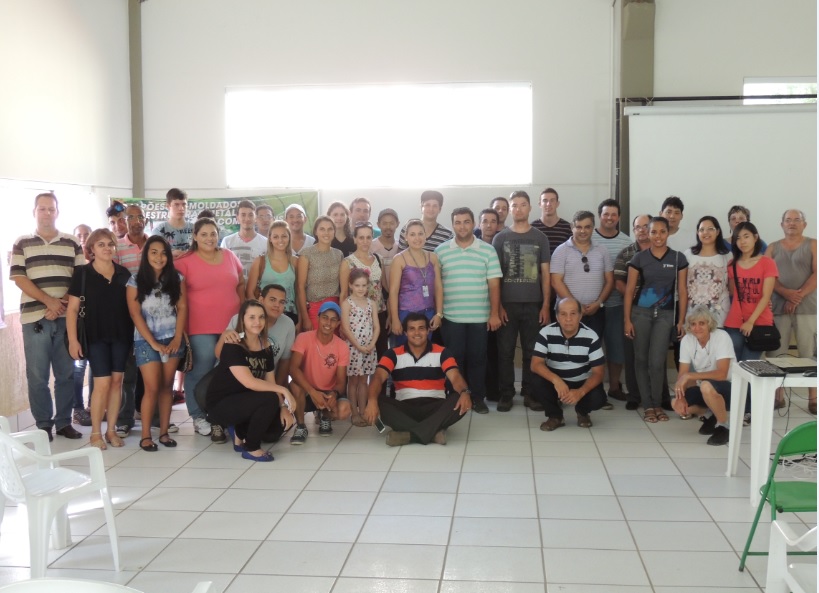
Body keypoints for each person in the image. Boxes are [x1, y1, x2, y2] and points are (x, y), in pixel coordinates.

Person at [10, 192, 85, 441]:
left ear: (57, 212)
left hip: (66, 319)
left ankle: (64, 423)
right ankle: (43, 425)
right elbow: (19, 278)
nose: (47, 213)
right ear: (34, 212)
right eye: (42, 209)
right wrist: (49, 301)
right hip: (35, 319)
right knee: (37, 376)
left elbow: (80, 277)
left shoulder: (72, 242)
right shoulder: (22, 242)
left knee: (65, 374)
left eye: (51, 209)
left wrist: (61, 304)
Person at [174, 217, 245, 439]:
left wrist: (242, 314)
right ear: (194, 236)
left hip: (231, 325)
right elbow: (177, 298)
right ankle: (197, 415)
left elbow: (240, 283)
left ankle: (217, 414)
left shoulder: (229, 256)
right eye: (203, 234)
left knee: (223, 371)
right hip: (199, 326)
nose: (209, 238)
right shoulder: (184, 262)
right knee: (201, 368)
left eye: (213, 234)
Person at [66, 228, 133, 449]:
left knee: (117, 383)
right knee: (101, 383)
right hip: (95, 336)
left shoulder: (124, 274)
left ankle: (111, 431)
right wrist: (74, 341)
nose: (107, 248)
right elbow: (73, 310)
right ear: (92, 249)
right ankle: (95, 433)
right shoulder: (83, 274)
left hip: (121, 335)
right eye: (101, 244)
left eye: (110, 244)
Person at [206, 300, 297, 462]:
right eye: (252, 317)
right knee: (269, 398)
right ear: (243, 320)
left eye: (261, 317)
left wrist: (283, 407)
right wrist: (284, 390)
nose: (257, 322)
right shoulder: (233, 344)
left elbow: (270, 381)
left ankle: (240, 433)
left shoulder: (266, 346)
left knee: (276, 429)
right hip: (221, 404)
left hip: (247, 400)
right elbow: (250, 382)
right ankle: (252, 448)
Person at [363, 312, 471, 446]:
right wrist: (372, 401)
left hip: (435, 407)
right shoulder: (393, 354)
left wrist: (465, 392)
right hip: (405, 408)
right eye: (412, 329)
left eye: (421, 328)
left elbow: (455, 377)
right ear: (406, 333)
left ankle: (409, 435)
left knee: (459, 399)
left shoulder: (442, 352)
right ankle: (432, 433)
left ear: (427, 331)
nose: (417, 333)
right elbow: (378, 377)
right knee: (376, 400)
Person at [435, 207, 502, 415]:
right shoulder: (441, 251)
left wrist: (494, 313)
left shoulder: (487, 250)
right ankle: (455, 396)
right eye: (457, 222)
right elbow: (437, 285)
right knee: (454, 359)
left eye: (466, 221)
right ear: (452, 225)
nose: (462, 226)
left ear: (473, 224)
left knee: (478, 359)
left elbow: (493, 285)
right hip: (451, 316)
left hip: (479, 317)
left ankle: (477, 397)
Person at [624, 216, 688, 423]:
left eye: (662, 232)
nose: (658, 236)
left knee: (657, 361)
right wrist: (627, 320)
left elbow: (683, 291)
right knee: (641, 360)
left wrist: (681, 321)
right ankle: (648, 405)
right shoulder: (639, 259)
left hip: (666, 315)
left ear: (668, 233)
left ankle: (658, 404)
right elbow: (629, 291)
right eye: (653, 232)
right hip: (640, 314)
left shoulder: (678, 258)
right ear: (647, 234)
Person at [492, 191, 551, 412]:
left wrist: (545, 305)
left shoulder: (540, 238)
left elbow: (545, 274)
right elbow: (495, 276)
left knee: (531, 352)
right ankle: (506, 394)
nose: (518, 209)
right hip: (507, 306)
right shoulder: (501, 238)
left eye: (522, 205)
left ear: (529, 208)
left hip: (534, 305)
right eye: (514, 205)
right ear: (509, 209)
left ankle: (530, 393)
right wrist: (497, 306)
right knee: (505, 352)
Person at [126, 236, 187, 451]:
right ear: (146, 255)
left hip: (172, 339)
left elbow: (182, 308)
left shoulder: (177, 278)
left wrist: (178, 338)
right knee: (151, 388)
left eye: (163, 253)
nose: (159, 257)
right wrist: (153, 343)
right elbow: (135, 314)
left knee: (166, 387)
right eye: (153, 252)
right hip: (145, 341)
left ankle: (163, 433)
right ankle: (145, 436)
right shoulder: (135, 281)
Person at [766, 209, 816, 414]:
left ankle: (813, 398)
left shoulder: (813, 244)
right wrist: (786, 293)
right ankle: (778, 397)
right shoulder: (772, 248)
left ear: (804, 224)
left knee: (809, 353)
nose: (792, 223)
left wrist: (798, 296)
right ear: (781, 224)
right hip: (778, 308)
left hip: (807, 308)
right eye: (788, 220)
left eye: (797, 220)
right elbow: (766, 275)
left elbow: (817, 274)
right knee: (776, 353)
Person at [531, 297, 607, 431]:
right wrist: (556, 380)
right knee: (536, 382)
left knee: (599, 398)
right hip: (556, 381)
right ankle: (555, 416)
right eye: (563, 314)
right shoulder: (546, 332)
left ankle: (582, 412)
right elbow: (536, 364)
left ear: (580, 315)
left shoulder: (591, 336)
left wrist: (580, 392)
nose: (568, 319)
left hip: (581, 380)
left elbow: (599, 373)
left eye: (573, 313)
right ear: (557, 316)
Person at [671, 306, 736, 446]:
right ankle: (710, 414)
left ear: (709, 324)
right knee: (675, 403)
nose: (697, 328)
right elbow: (682, 375)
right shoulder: (687, 340)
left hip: (729, 386)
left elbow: (722, 374)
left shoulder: (721, 337)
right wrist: (680, 397)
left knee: (706, 385)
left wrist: (691, 376)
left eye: (702, 323)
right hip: (706, 388)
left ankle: (723, 426)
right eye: (693, 324)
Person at [112, 204, 150, 438]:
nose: (136, 221)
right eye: (131, 217)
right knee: (127, 371)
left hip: (153, 317)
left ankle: (152, 417)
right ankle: (125, 420)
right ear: (124, 221)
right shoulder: (117, 248)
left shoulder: (155, 245)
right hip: (125, 316)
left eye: (140, 217)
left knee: (151, 370)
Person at [289, 302, 352, 437]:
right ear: (318, 318)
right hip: (306, 390)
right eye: (325, 317)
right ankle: (301, 426)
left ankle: (324, 416)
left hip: (328, 391)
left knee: (344, 410)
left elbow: (341, 381)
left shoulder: (342, 346)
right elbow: (293, 369)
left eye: (333, 319)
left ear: (338, 323)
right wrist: (312, 392)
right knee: (294, 386)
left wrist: (334, 394)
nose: (328, 322)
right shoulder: (303, 338)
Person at [216, 283, 296, 389]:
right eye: (272, 300)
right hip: (233, 380)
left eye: (282, 302)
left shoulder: (288, 324)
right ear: (261, 300)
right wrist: (224, 335)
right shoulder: (240, 318)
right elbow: (219, 355)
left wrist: (277, 391)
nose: (277, 305)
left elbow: (285, 361)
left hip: (265, 380)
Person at [550, 211, 613, 341]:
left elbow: (610, 281)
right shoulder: (561, 251)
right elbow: (556, 282)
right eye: (578, 227)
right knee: (566, 353)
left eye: (587, 227)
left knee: (592, 353)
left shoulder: (603, 250)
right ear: (572, 227)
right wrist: (576, 307)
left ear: (593, 228)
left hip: (595, 312)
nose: (582, 231)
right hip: (567, 313)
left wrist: (599, 303)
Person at [594, 199, 632, 403]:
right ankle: (594, 388)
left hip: (617, 303)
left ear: (619, 217)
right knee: (591, 348)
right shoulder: (587, 236)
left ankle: (615, 387)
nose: (609, 218)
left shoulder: (626, 242)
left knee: (617, 347)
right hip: (590, 304)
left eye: (613, 214)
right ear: (600, 215)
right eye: (605, 214)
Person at [725, 221, 779, 364]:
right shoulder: (732, 264)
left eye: (746, 236)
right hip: (735, 322)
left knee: (749, 366)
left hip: (760, 322)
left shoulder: (767, 263)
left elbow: (766, 296)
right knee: (734, 367)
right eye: (738, 238)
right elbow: (732, 292)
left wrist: (751, 321)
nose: (742, 241)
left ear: (755, 238)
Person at [614, 214, 652, 410]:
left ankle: (657, 396)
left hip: (658, 310)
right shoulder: (626, 253)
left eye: (646, 226)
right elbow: (618, 281)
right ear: (634, 230)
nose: (642, 230)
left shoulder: (663, 252)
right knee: (632, 354)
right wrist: (634, 295)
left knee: (654, 354)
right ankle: (634, 395)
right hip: (632, 309)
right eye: (638, 227)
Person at [389, 219, 443, 347]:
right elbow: (393, 291)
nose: (417, 238)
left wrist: (439, 314)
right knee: (404, 353)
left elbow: (438, 287)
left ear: (425, 235)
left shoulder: (433, 257)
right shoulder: (399, 259)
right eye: (412, 234)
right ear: (406, 237)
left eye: (420, 234)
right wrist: (395, 319)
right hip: (406, 314)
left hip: (428, 313)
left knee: (425, 351)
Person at [340, 221, 385, 358]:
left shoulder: (378, 258)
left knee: (381, 354)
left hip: (379, 312)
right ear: (354, 238)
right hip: (357, 316)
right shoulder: (347, 262)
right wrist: (343, 322)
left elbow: (382, 286)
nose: (365, 241)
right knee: (358, 357)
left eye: (368, 237)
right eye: (361, 237)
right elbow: (343, 293)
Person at [341, 268, 380, 426]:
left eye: (364, 285)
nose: (361, 288)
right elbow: (345, 328)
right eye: (357, 285)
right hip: (353, 348)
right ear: (350, 285)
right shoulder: (347, 303)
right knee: (353, 382)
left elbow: (377, 327)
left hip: (368, 349)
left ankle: (363, 410)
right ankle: (354, 412)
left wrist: (371, 344)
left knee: (364, 381)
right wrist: (357, 346)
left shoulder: (372, 303)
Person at [246, 220, 299, 324]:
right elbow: (249, 292)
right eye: (275, 237)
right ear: (270, 239)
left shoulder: (295, 262)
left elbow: (299, 292)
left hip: (290, 314)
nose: (280, 240)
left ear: (289, 237)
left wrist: (301, 319)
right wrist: (259, 313)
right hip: (265, 315)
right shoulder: (260, 262)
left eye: (284, 236)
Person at [296, 216, 343, 332]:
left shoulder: (339, 254)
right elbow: (300, 287)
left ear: (334, 231)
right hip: (314, 310)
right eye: (322, 229)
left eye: (330, 229)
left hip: (335, 311)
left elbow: (342, 287)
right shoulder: (306, 254)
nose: (326, 233)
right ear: (316, 231)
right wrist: (305, 318)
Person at [684, 215, 732, 327]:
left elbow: (731, 286)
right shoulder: (688, 254)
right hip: (693, 313)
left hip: (719, 314)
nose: (706, 232)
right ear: (697, 233)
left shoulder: (727, 256)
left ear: (718, 231)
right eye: (702, 229)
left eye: (710, 229)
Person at [71, 223, 93, 427]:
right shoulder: (74, 266)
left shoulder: (99, 263)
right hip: (78, 323)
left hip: (96, 325)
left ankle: (93, 407)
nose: (83, 238)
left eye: (87, 235)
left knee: (95, 369)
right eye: (80, 235)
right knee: (78, 368)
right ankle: (77, 408)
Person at [372, 208, 400, 352]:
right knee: (379, 344)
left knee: (396, 343)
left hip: (398, 298)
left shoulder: (401, 246)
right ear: (378, 224)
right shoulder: (371, 246)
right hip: (378, 299)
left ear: (397, 224)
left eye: (392, 223)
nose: (388, 227)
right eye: (384, 223)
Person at [220, 199, 269, 278]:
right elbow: (222, 268)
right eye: (243, 215)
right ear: (237, 217)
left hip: (258, 289)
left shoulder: (266, 243)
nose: (247, 219)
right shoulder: (227, 241)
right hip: (233, 289)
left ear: (255, 218)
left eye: (250, 215)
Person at [151, 188, 194, 257]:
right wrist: (170, 254)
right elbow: (154, 254)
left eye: (184, 204)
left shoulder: (195, 229)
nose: (181, 208)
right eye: (176, 205)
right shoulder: (159, 230)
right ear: (168, 206)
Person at [531, 188, 571, 257]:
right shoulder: (532, 228)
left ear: (557, 204)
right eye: (545, 201)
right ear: (540, 204)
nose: (548, 204)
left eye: (552, 200)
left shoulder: (567, 228)